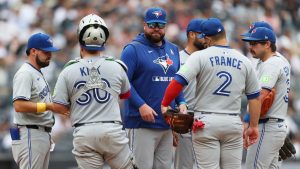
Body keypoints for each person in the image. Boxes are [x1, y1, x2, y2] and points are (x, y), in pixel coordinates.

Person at [161, 18, 261, 169]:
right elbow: (254, 98)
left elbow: (177, 83)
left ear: (207, 38)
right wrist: (253, 126)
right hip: (232, 121)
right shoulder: (244, 60)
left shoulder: (199, 56)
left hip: (206, 122)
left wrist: (165, 103)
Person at [52, 14, 137, 169]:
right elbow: (126, 95)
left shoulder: (68, 69)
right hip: (113, 131)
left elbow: (58, 106)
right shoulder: (117, 66)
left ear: (80, 39)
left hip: (84, 131)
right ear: (104, 40)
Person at [120, 7, 187, 169]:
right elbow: (123, 83)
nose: (156, 28)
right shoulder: (132, 49)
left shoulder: (173, 49)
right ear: (144, 25)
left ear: (165, 26)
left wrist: (182, 102)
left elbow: (175, 82)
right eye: (152, 24)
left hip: (166, 123)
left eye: (160, 24)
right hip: (141, 123)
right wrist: (141, 105)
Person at [242, 27, 290, 169]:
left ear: (267, 44)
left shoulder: (271, 64)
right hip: (275, 125)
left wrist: (248, 122)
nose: (250, 47)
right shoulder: (280, 60)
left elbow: (260, 96)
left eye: (254, 44)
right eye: (249, 44)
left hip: (266, 127)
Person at [11, 32, 60, 169]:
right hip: (30, 134)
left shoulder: (36, 72)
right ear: (33, 51)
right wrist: (49, 107)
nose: (50, 55)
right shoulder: (25, 73)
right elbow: (19, 105)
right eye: (46, 52)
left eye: (51, 52)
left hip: (39, 133)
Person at [174, 18, 206, 169]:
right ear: (192, 34)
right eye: (202, 34)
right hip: (184, 118)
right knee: (183, 166)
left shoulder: (209, 58)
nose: (206, 38)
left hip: (206, 118)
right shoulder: (177, 58)